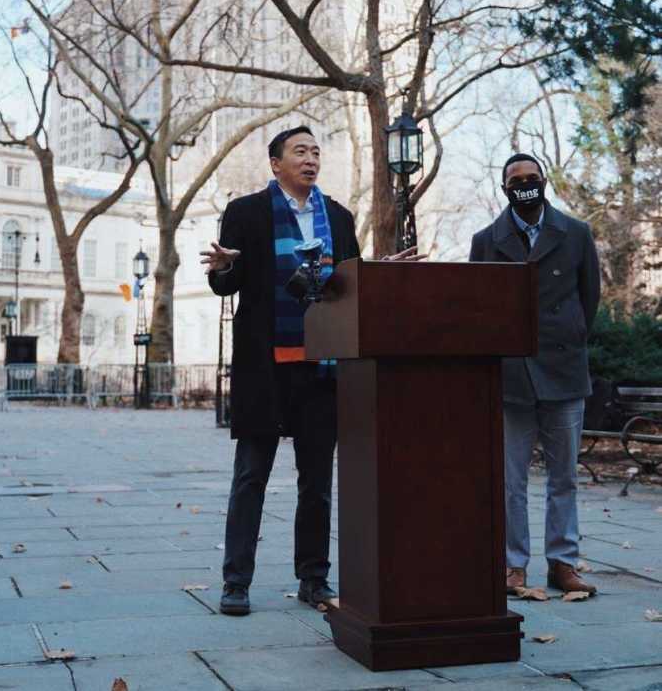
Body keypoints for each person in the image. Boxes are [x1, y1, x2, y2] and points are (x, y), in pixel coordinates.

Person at [201, 125, 421, 617]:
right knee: (250, 477)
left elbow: (348, 286)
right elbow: (228, 283)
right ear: (275, 163)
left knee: (317, 483)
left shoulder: (338, 217)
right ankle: (236, 582)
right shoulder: (247, 213)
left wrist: (377, 270)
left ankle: (314, 579)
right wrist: (221, 269)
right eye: (299, 151)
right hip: (265, 367)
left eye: (316, 152)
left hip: (321, 372)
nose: (310, 159)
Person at [469, 153, 601, 596]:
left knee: (564, 476)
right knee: (511, 481)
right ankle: (513, 566)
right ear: (504, 187)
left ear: (543, 181)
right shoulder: (487, 241)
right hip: (511, 377)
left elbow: (590, 299)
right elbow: (478, 309)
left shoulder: (576, 234)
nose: (524, 184)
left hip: (563, 371)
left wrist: (570, 336)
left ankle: (563, 563)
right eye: (515, 179)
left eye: (532, 177)